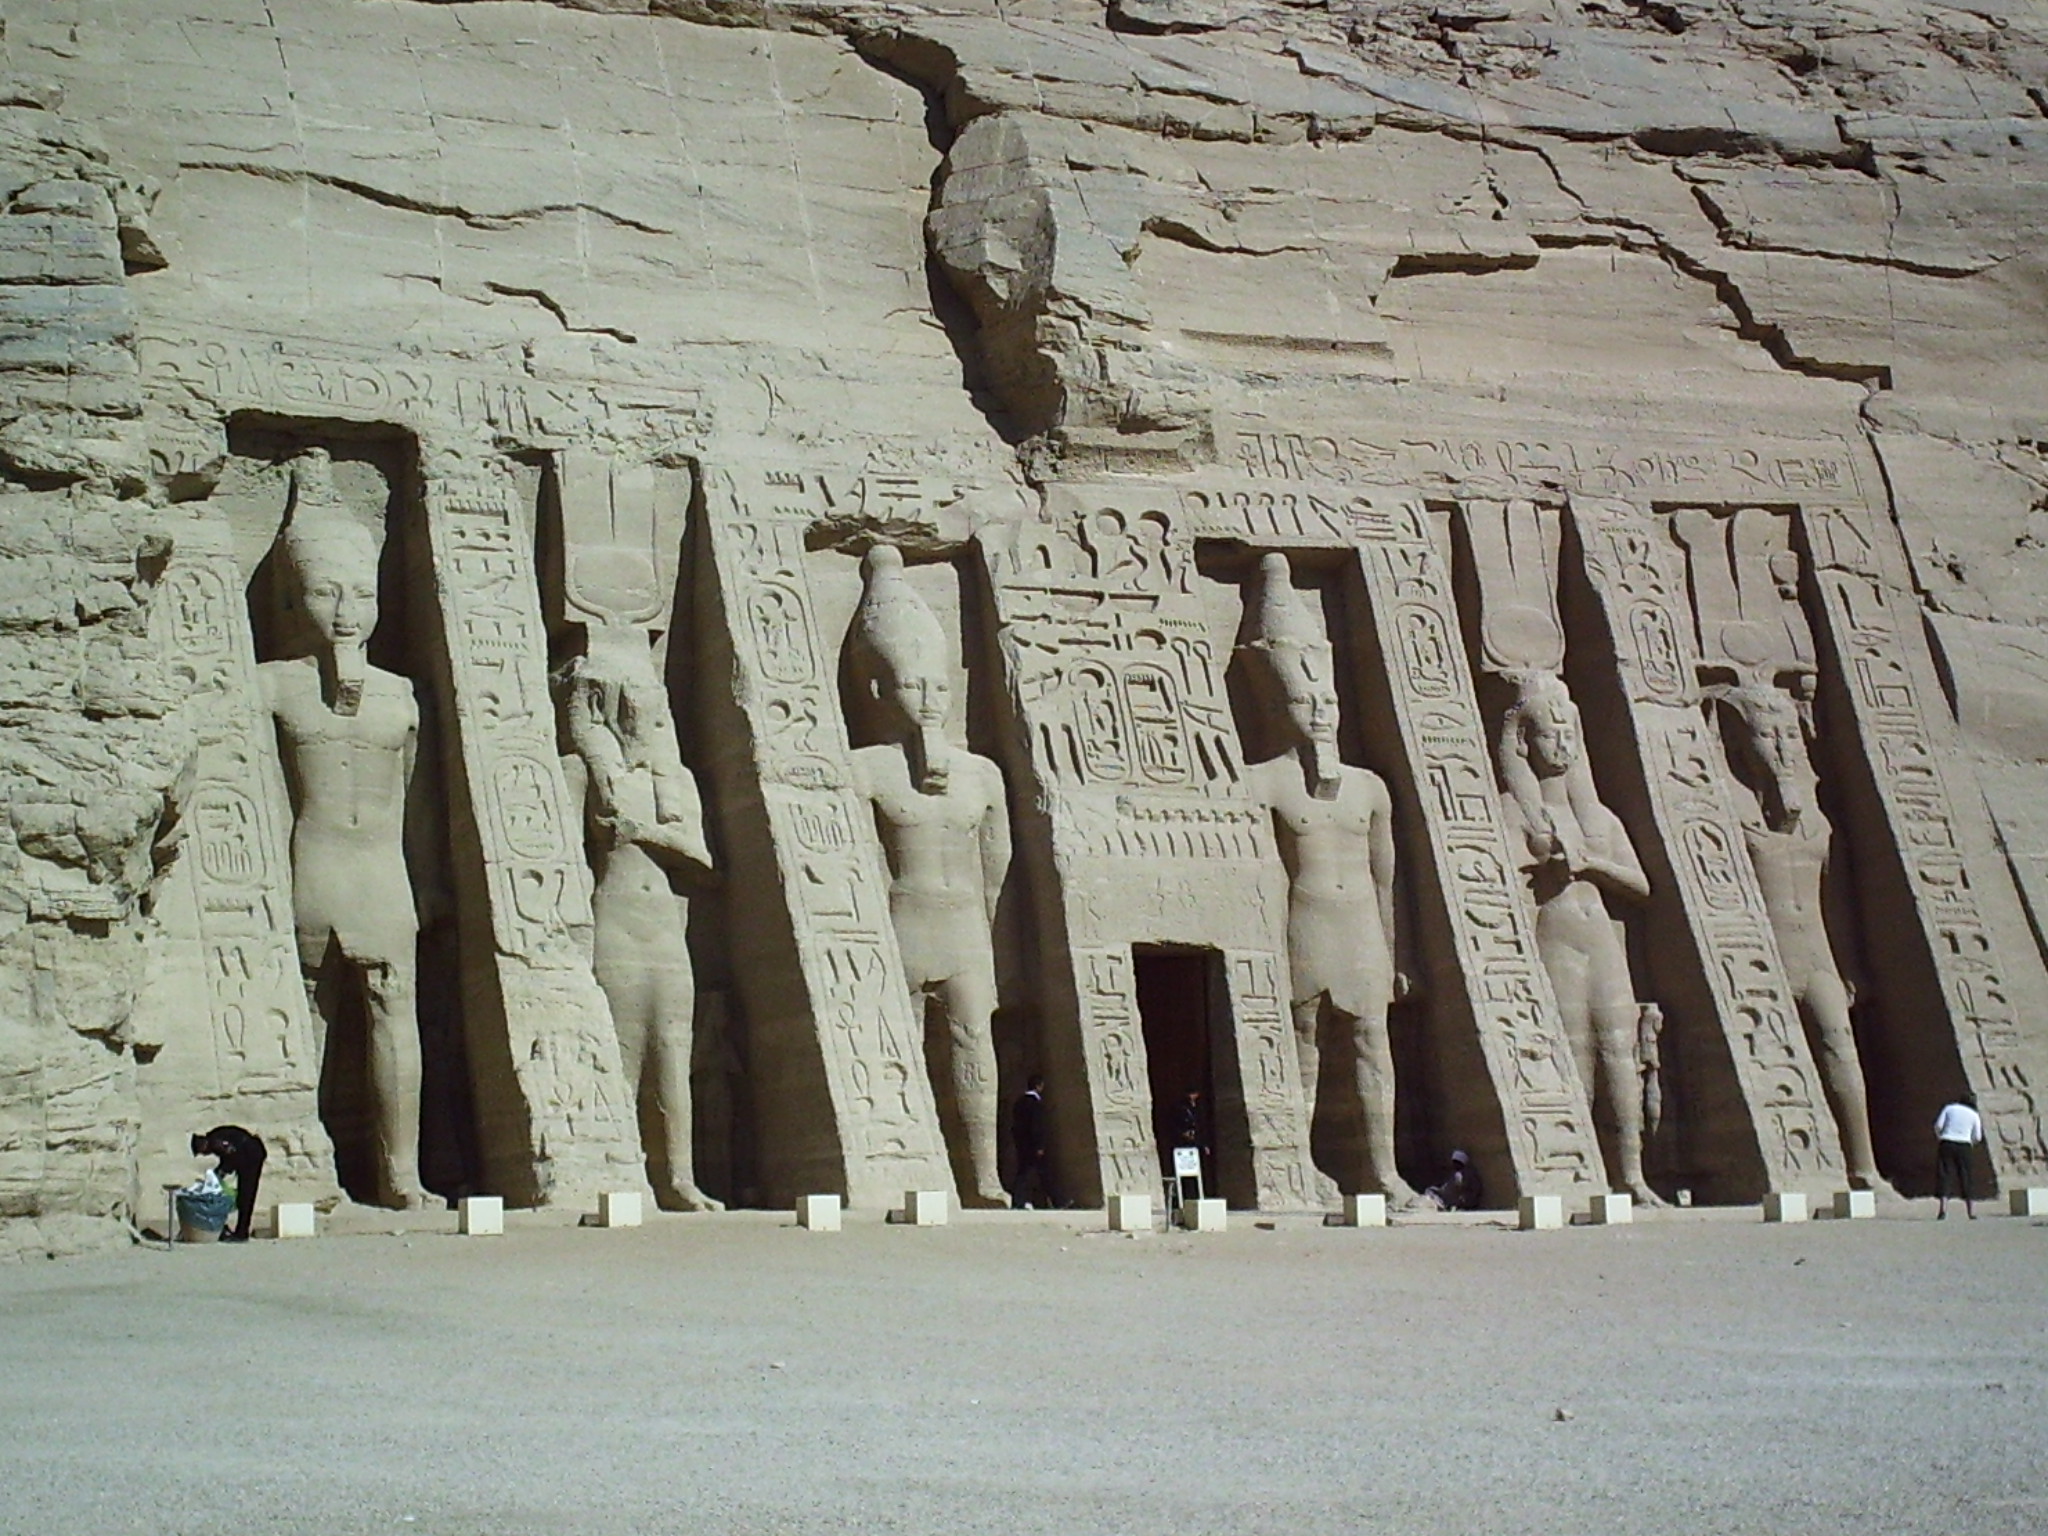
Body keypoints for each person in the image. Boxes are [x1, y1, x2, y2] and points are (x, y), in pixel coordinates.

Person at [192, 1125, 267, 1242]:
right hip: (251, 1152)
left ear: (203, 1145)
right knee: (246, 1196)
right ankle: (241, 1231)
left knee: (246, 1196)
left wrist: (221, 1172)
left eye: (202, 1152)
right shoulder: (215, 1137)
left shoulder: (215, 1142)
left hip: (250, 1154)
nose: (205, 1154)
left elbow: (232, 1155)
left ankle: (242, 1233)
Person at [1934, 1092, 1984, 1219]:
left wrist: (1940, 1137)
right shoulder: (1974, 1115)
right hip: (1964, 1145)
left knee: (1945, 1174)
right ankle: (1971, 1212)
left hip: (1946, 1142)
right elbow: (1978, 1136)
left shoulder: (1949, 1108)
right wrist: (1971, 1142)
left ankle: (1943, 1209)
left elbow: (1938, 1125)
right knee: (1966, 1177)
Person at [1011, 1074, 1052, 1209]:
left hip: (1021, 1143)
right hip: (1033, 1145)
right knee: (1036, 1173)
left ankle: (1020, 1201)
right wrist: (1040, 1145)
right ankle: (1054, 1200)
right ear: (1039, 1086)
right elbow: (1037, 1126)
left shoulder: (1019, 1103)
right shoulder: (1035, 1104)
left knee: (1024, 1173)